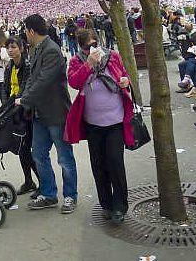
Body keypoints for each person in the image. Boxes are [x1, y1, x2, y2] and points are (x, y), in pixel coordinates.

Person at [65, 29, 134, 225]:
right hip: (92, 123)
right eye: (88, 47)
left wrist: (125, 81)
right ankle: (107, 204)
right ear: (81, 47)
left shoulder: (112, 56)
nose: (93, 49)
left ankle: (120, 206)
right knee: (99, 165)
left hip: (115, 121)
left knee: (115, 163)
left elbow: (125, 76)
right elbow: (74, 82)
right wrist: (88, 64)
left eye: (95, 44)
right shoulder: (77, 61)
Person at [15, 14, 77, 214]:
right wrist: (23, 95)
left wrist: (25, 99)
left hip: (56, 112)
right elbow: (33, 79)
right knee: (39, 154)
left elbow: (44, 81)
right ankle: (49, 194)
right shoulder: (37, 49)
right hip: (39, 113)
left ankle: (70, 196)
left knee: (64, 157)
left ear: (31, 31)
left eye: (26, 30)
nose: (25, 34)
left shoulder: (51, 50)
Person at [5, 36, 39, 195]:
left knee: (28, 147)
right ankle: (28, 181)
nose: (11, 50)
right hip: (13, 111)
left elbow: (26, 86)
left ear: (21, 48)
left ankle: (43, 182)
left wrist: (19, 101)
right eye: (8, 47)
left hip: (26, 113)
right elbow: (5, 89)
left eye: (14, 47)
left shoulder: (27, 65)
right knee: (22, 148)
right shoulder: (9, 66)